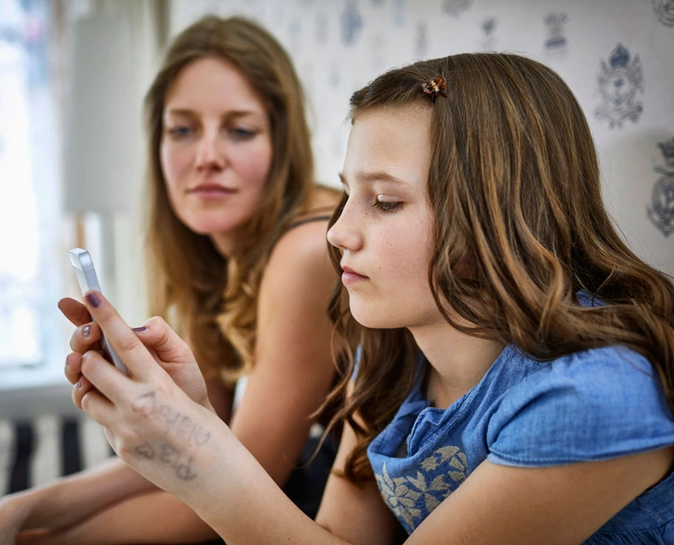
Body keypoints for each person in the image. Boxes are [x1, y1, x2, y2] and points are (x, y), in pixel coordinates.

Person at [43, 51, 674, 544]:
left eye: (386, 201)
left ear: (503, 215)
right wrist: (198, 421)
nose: (338, 233)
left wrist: (199, 458)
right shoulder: (392, 352)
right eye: (348, 194)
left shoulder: (594, 396)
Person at [0, 15, 341, 545]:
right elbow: (188, 440)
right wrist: (24, 506)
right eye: (182, 129)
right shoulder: (217, 254)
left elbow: (232, 481)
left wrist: (34, 539)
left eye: (240, 130)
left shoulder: (306, 251)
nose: (207, 157)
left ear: (282, 143)